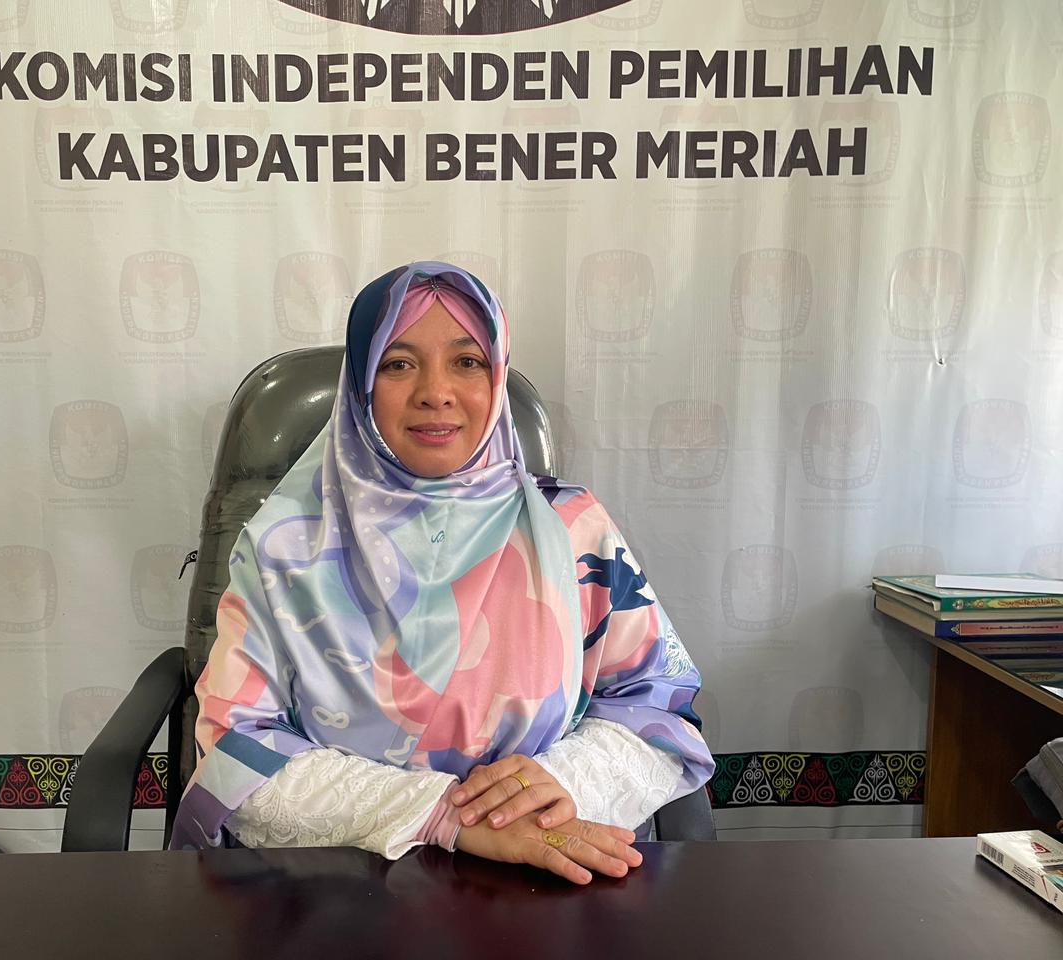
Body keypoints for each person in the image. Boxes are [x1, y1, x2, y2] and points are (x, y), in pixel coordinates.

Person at [171, 262, 714, 884]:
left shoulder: (574, 528)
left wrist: (558, 783)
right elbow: (236, 749)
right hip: (341, 886)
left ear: (497, 377)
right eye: (399, 363)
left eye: (467, 362)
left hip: (543, 873)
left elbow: (659, 709)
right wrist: (444, 815)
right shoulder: (283, 547)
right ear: (360, 384)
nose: (436, 391)